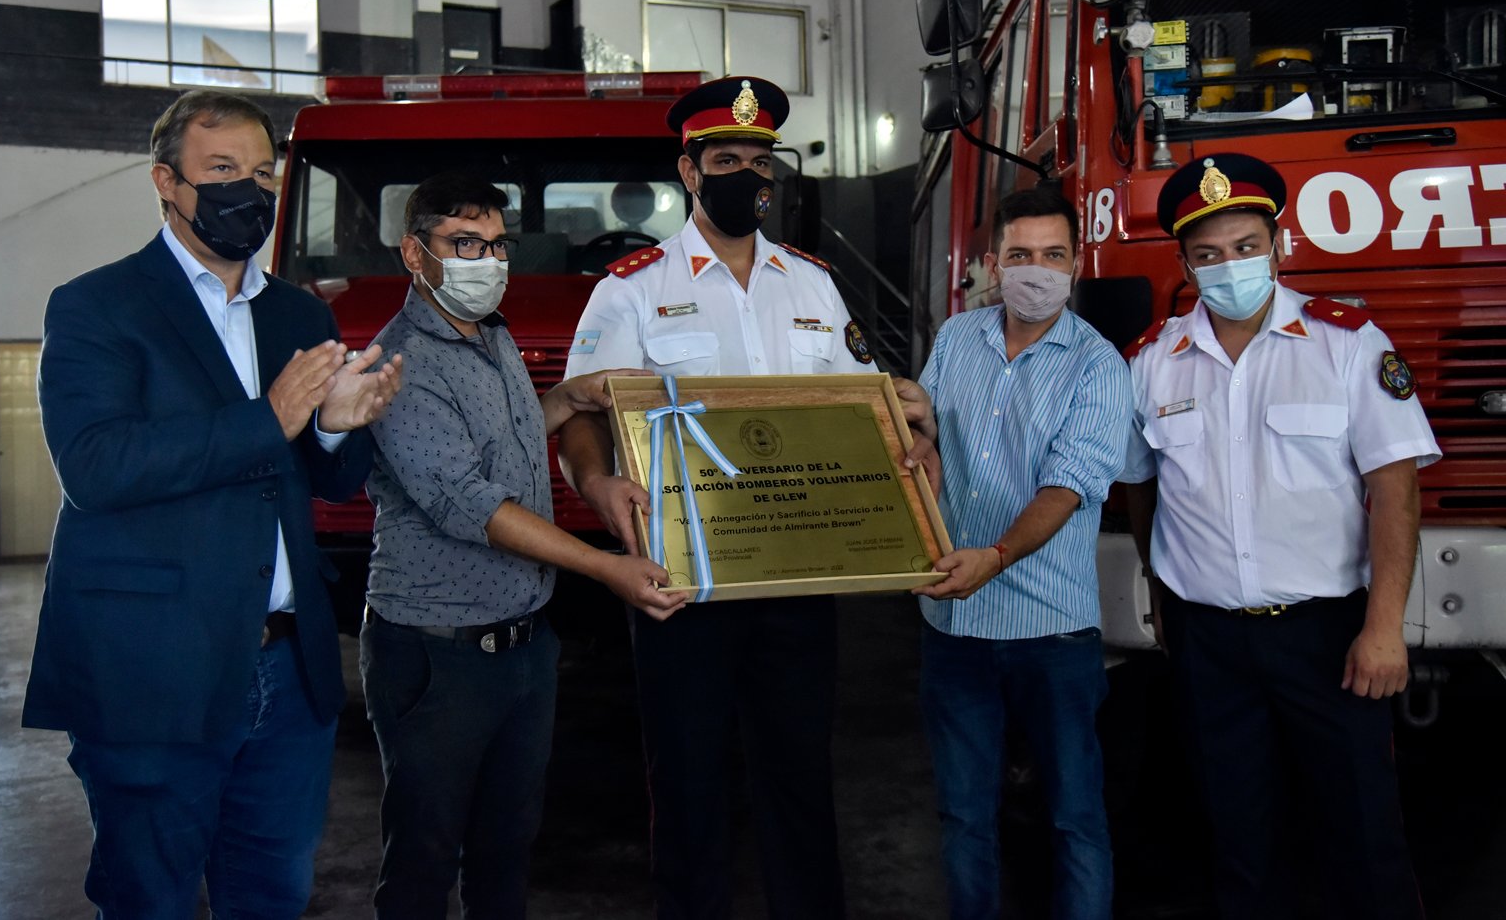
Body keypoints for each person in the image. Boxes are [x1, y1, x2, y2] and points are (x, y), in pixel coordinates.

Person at [23, 89, 403, 919]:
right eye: (223, 169)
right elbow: (96, 467)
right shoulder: (97, 305)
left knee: (272, 895)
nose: (249, 191)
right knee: (148, 897)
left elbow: (329, 481)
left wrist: (336, 427)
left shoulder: (297, 311)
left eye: (263, 173)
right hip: (155, 670)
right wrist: (270, 417)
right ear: (167, 182)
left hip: (287, 671)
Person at [558, 76, 874, 919]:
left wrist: (908, 444)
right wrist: (596, 482)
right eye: (726, 160)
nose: (747, 176)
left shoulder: (813, 284)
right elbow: (580, 413)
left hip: (799, 573)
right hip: (683, 578)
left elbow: (860, 410)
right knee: (687, 782)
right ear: (689, 172)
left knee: (800, 777)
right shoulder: (631, 288)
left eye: (759, 162)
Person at [1118, 153, 1436, 919]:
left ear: (1279, 246)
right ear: (1184, 265)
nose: (1229, 266)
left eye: (1246, 246)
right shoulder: (1153, 360)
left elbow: (1395, 491)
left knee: (1363, 832)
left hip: (1328, 637)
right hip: (1208, 641)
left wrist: (1385, 628)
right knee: (1238, 839)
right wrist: (1160, 591)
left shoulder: (1348, 343)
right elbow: (1141, 487)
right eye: (1208, 254)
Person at [359, 172, 685, 919]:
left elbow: (501, 447)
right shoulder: (401, 363)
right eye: (464, 244)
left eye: (498, 245)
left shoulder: (493, 334)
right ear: (415, 252)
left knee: (506, 852)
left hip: (524, 646)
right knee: (422, 861)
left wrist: (567, 398)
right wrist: (605, 566)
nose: (487, 261)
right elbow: (469, 502)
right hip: (439, 654)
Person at [901, 185, 1131, 920]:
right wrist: (921, 450)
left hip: (1050, 631)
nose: (1037, 270)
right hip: (953, 627)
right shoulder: (957, 338)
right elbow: (929, 438)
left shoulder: (1098, 366)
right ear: (993, 263)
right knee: (964, 815)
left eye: (1054, 255)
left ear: (1076, 263)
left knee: (1074, 817)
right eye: (1021, 254)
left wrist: (994, 557)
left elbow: (1067, 489)